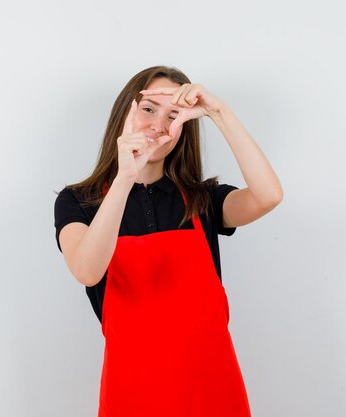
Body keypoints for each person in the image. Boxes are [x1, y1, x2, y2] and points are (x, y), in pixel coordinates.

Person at [53, 65, 283, 417]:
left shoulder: (201, 199)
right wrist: (125, 176)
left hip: (212, 389)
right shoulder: (78, 201)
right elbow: (87, 269)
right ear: (124, 113)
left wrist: (219, 112)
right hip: (133, 392)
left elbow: (268, 196)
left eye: (173, 115)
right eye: (148, 109)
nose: (159, 124)